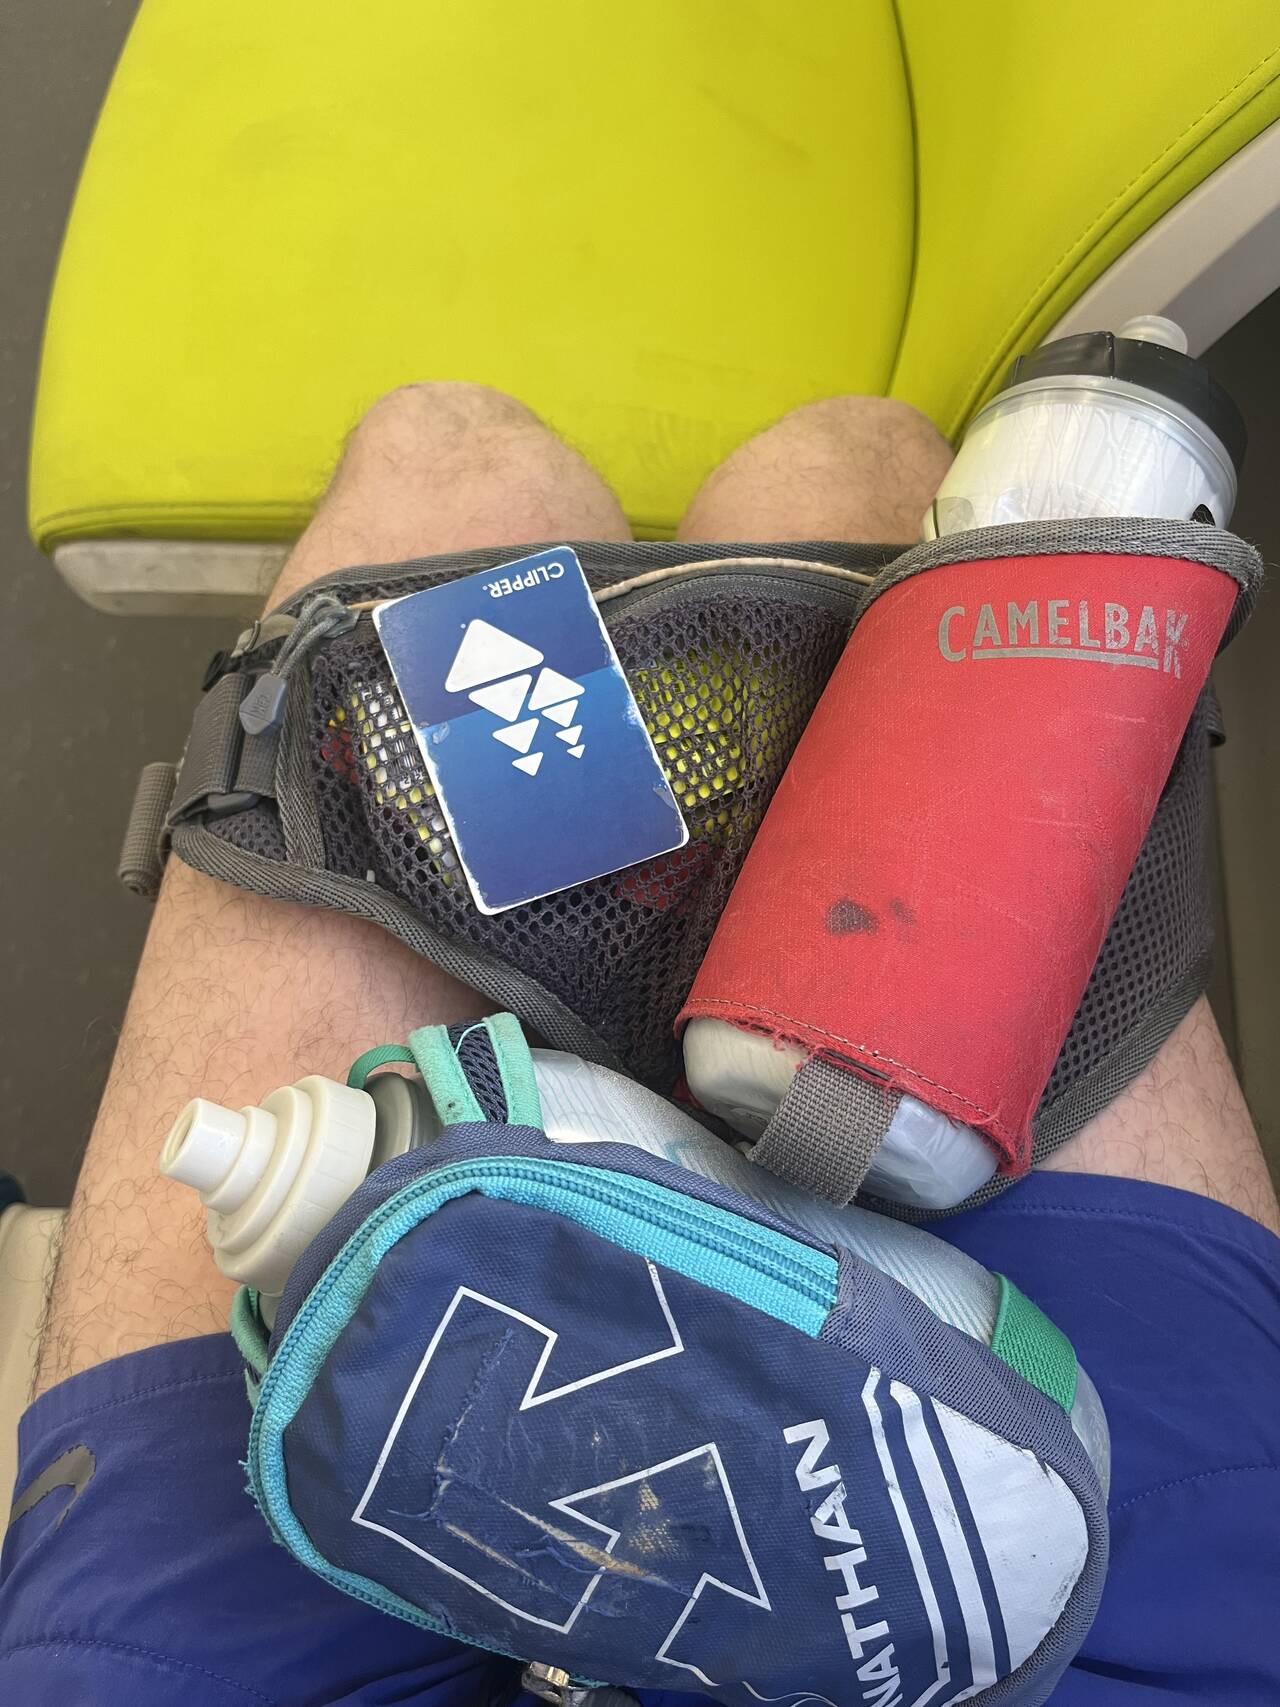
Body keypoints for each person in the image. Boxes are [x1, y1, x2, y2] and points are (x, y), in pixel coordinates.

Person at [2, 384, 1277, 1706]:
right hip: (1091, 1590)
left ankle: (628, 885)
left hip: (267, 1606)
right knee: (858, 485)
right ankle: (653, 888)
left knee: (455, 480)